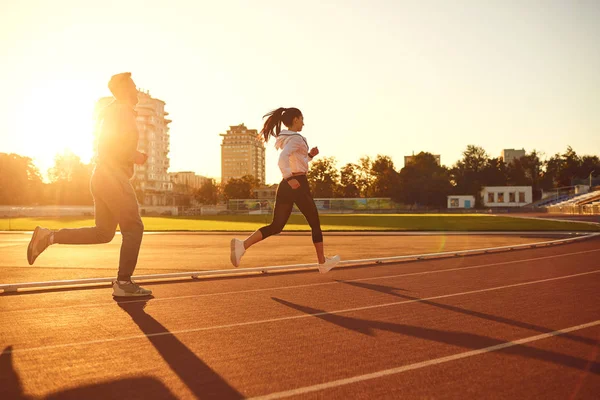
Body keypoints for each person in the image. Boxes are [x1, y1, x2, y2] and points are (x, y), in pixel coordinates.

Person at [27, 72, 152, 297]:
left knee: (103, 233)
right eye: (133, 86)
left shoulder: (114, 111)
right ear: (124, 90)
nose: (136, 90)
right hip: (113, 177)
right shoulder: (122, 111)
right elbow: (114, 145)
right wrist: (136, 156)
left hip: (101, 176)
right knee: (134, 227)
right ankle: (124, 283)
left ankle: (49, 237)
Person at [230, 107, 340, 273]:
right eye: (302, 119)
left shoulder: (288, 138)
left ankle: (242, 245)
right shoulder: (295, 139)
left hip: (286, 185)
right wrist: (290, 178)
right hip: (297, 183)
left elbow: (297, 160)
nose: (303, 122)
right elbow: (282, 159)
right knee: (315, 223)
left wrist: (309, 156)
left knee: (276, 226)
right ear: (295, 119)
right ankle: (322, 262)